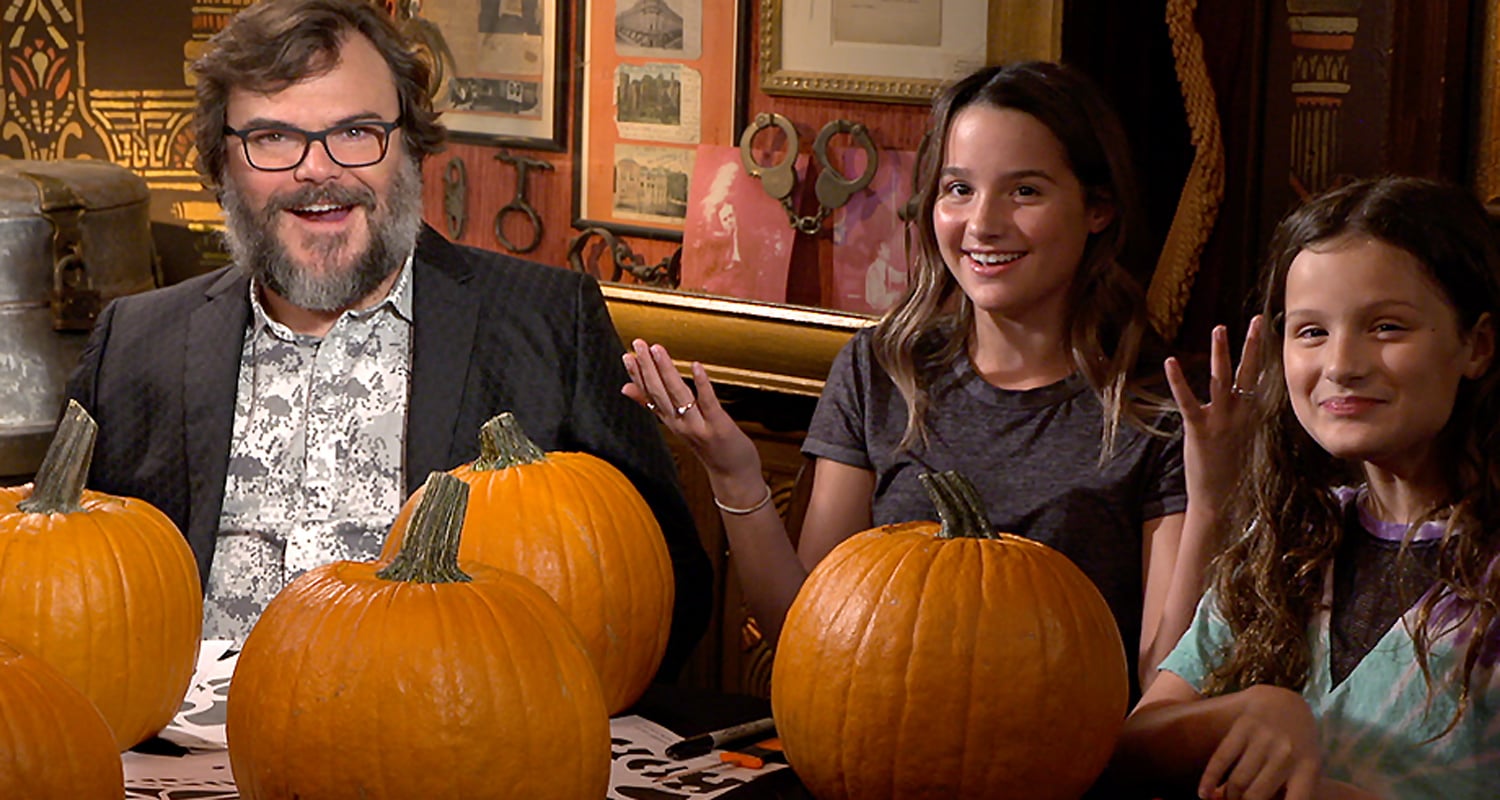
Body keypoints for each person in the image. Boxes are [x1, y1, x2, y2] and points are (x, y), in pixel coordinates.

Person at [63, 0, 711, 680]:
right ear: (222, 162)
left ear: (409, 145)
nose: (318, 169)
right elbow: (57, 580)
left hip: (452, 739)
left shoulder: (549, 323)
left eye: (356, 131)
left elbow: (668, 598)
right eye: (273, 138)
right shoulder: (135, 345)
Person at [624, 61, 1231, 696]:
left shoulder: (1157, 407)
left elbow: (1162, 679)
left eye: (1025, 191)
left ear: (1098, 207)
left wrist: (1212, 499)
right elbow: (809, 636)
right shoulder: (881, 371)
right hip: (877, 752)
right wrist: (734, 473)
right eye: (959, 189)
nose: (983, 224)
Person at [1110, 176, 1500, 799]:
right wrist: (1250, 711)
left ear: (1476, 345)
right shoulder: (1287, 549)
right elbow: (1131, 747)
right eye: (1311, 332)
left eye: (1387, 328)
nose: (1341, 364)